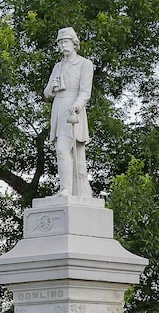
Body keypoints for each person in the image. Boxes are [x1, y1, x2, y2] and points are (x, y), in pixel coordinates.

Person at [44, 27, 94, 197]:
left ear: (74, 43)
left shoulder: (84, 64)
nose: (63, 45)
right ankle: (67, 188)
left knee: (63, 149)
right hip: (58, 110)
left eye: (66, 42)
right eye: (60, 42)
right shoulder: (58, 66)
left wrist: (77, 106)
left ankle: (67, 189)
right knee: (61, 150)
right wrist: (52, 88)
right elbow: (46, 93)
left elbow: (85, 92)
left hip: (73, 112)